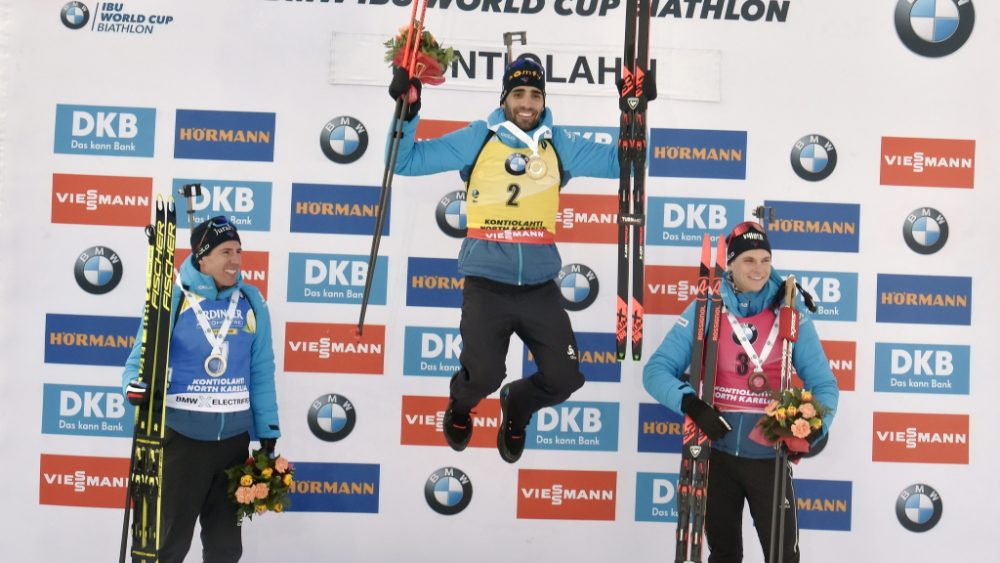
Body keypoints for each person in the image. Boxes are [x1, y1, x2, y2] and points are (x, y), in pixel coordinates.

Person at [387, 55, 654, 463]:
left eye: (534, 94)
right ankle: (460, 405)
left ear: (543, 100)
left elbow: (626, 163)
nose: (527, 103)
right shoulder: (480, 137)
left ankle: (517, 407)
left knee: (565, 378)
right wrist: (408, 111)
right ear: (505, 97)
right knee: (485, 375)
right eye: (518, 94)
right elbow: (403, 161)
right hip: (487, 284)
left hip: (539, 287)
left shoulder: (557, 143)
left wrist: (634, 115)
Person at [642, 221, 839, 562]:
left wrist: (816, 425)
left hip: (769, 459)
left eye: (765, 259)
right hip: (715, 456)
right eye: (749, 260)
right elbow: (656, 371)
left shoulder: (790, 312)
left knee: (782, 556)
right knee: (725, 554)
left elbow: (824, 384)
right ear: (730, 264)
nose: (759, 269)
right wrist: (691, 403)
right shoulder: (707, 308)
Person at [121, 216, 280, 563]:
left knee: (225, 548)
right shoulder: (174, 298)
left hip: (233, 447)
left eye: (239, 251)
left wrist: (268, 435)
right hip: (182, 442)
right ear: (202, 256)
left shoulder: (251, 301)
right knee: (167, 546)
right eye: (226, 252)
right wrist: (133, 388)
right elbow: (139, 361)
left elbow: (261, 371)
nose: (236, 261)